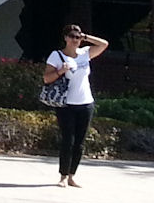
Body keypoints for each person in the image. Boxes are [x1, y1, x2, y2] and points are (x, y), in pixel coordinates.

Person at [44, 25, 108, 188]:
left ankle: (72, 176)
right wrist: (60, 71)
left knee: (79, 143)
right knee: (68, 140)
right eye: (72, 36)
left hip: (85, 103)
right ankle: (63, 176)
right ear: (65, 38)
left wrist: (86, 36)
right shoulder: (57, 56)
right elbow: (46, 78)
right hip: (66, 105)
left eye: (78, 37)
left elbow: (104, 44)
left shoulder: (85, 53)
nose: (75, 40)